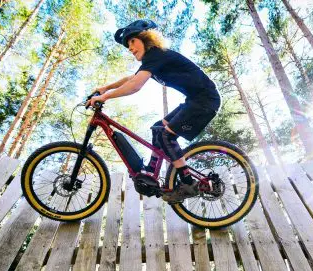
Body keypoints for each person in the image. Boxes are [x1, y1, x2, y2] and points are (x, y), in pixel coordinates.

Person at [87, 19, 221, 203]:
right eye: (128, 46)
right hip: (195, 100)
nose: (130, 48)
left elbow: (135, 85)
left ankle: (188, 183)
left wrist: (105, 97)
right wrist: (104, 88)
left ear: (145, 38)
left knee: (166, 136)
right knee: (158, 129)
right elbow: (131, 78)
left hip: (205, 101)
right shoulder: (153, 60)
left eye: (132, 41)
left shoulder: (156, 54)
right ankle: (151, 169)